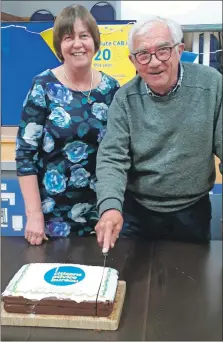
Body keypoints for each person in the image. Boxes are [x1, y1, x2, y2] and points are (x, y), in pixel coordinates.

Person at [95, 16, 222, 252]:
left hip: (192, 210)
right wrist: (111, 207)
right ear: (133, 61)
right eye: (143, 54)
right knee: (134, 280)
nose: (154, 62)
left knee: (190, 282)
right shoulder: (124, 99)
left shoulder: (211, 85)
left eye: (163, 50)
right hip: (137, 211)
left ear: (179, 50)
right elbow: (112, 158)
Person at [15, 4, 120, 245]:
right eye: (68, 37)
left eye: (84, 36)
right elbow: (25, 155)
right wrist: (34, 215)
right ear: (59, 47)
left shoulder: (111, 89)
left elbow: (119, 152)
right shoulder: (43, 86)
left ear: (95, 42)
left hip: (102, 216)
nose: (77, 44)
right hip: (53, 217)